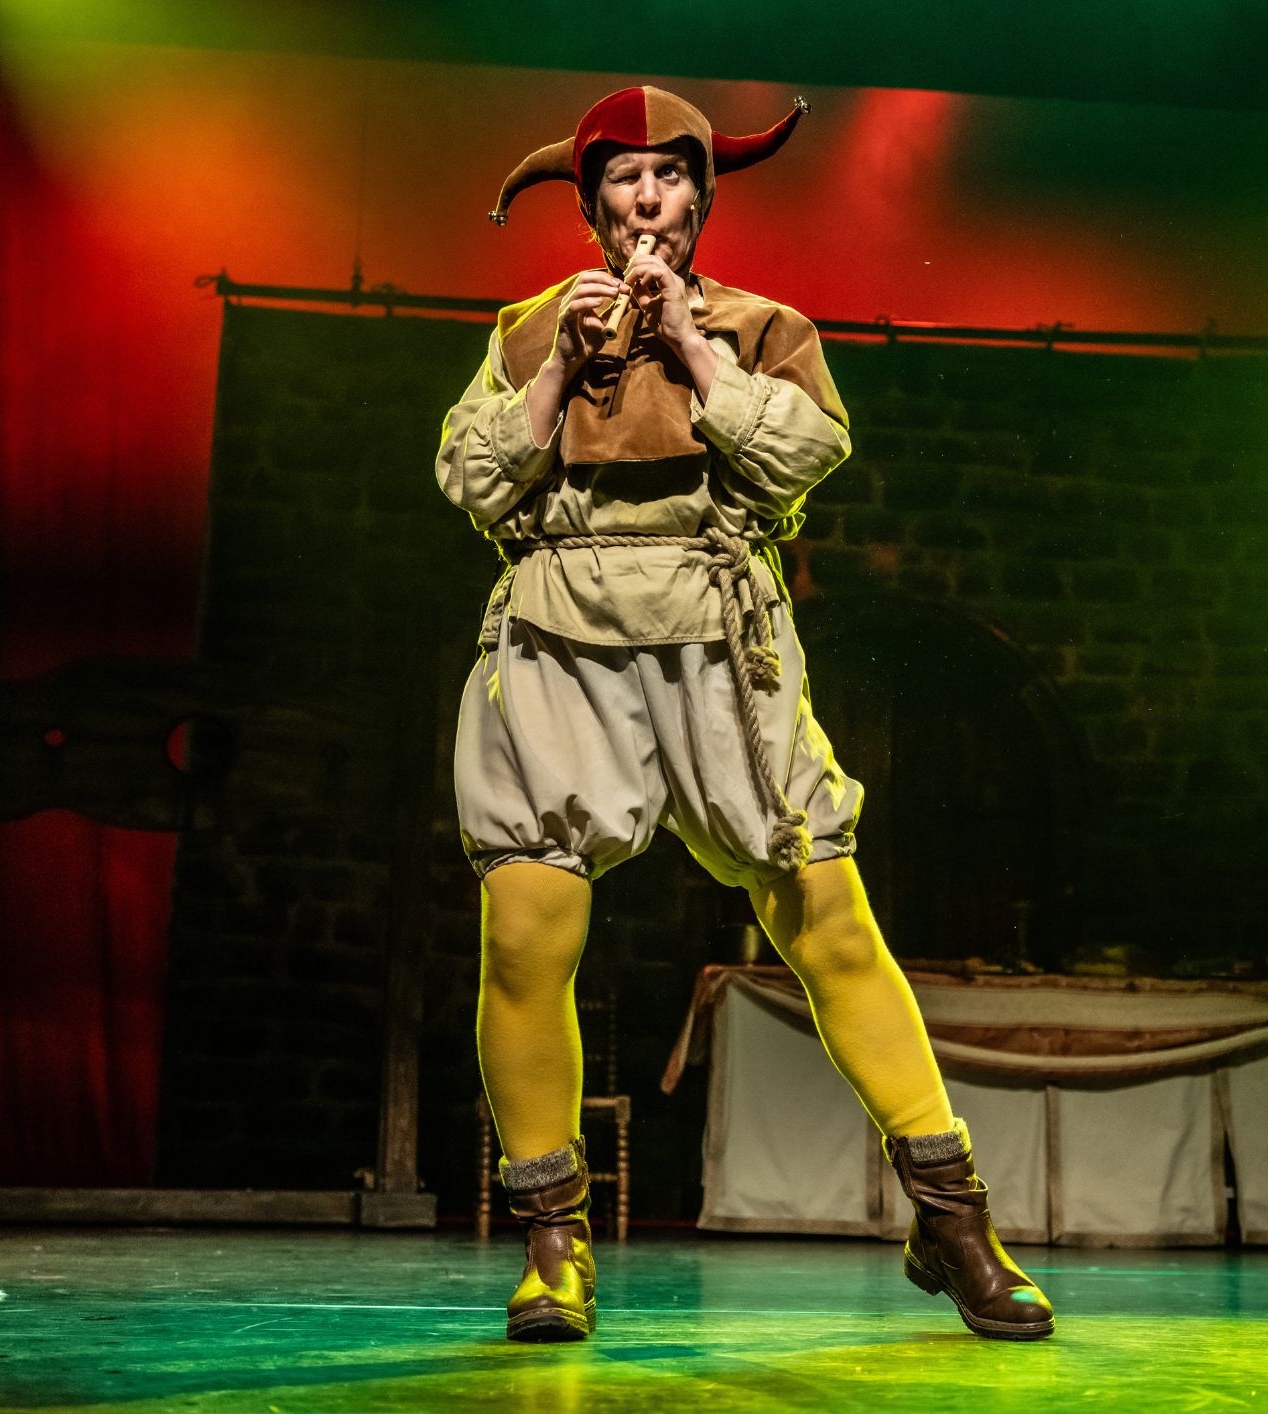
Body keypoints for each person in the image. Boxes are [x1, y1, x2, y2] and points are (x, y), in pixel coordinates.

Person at [436, 85, 1054, 1343]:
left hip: (720, 635)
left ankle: (952, 1220)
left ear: (699, 199)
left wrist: (688, 342)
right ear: (593, 204)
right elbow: (470, 478)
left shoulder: (766, 328)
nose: (646, 195)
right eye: (623, 177)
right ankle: (553, 1244)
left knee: (827, 919)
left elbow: (801, 459)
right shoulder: (525, 329)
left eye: (669, 174)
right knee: (524, 935)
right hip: (559, 634)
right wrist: (557, 369)